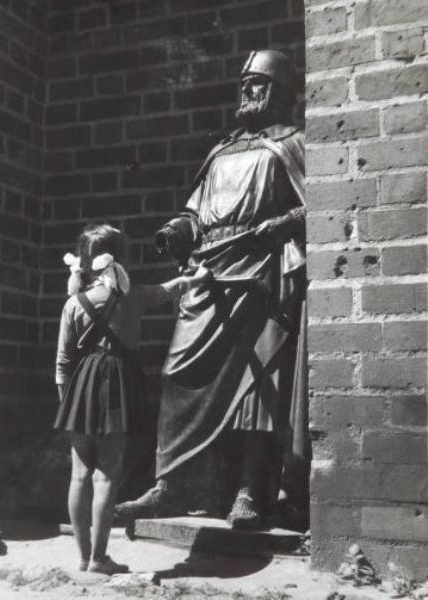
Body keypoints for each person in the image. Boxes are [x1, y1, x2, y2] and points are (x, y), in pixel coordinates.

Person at [115, 49, 309, 530]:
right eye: (244, 83)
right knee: (178, 373)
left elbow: (318, 205)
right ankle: (172, 484)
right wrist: (178, 230)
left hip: (261, 276)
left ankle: (249, 491)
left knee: (255, 389)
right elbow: (195, 212)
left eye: (259, 83)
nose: (248, 91)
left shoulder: (293, 144)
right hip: (209, 276)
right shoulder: (221, 151)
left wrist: (284, 222)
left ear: (282, 92)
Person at [54, 223, 210, 574]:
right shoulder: (134, 296)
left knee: (79, 475)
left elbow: (63, 364)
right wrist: (198, 278)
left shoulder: (73, 303)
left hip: (81, 386)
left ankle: (82, 558)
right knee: (106, 476)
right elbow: (169, 290)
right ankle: (99, 559)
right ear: (120, 259)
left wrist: (69, 403)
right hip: (117, 383)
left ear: (84, 261)